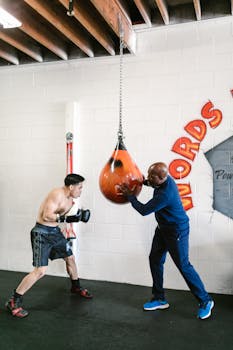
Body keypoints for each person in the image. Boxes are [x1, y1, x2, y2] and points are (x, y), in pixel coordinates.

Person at [118, 162, 214, 320]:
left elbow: (143, 210)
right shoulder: (164, 180)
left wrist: (130, 195)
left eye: (151, 176)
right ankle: (159, 298)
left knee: (184, 265)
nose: (148, 178)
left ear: (161, 177)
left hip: (176, 231)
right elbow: (151, 183)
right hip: (163, 228)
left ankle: (205, 301)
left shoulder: (165, 194)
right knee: (154, 259)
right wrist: (141, 181)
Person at [6, 173, 92, 318]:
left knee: (70, 258)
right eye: (79, 187)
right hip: (42, 233)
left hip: (55, 232)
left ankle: (76, 287)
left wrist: (79, 216)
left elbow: (62, 217)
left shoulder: (71, 199)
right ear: (71, 187)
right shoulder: (57, 194)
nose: (81, 190)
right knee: (40, 271)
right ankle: (14, 301)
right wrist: (68, 217)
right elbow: (47, 216)